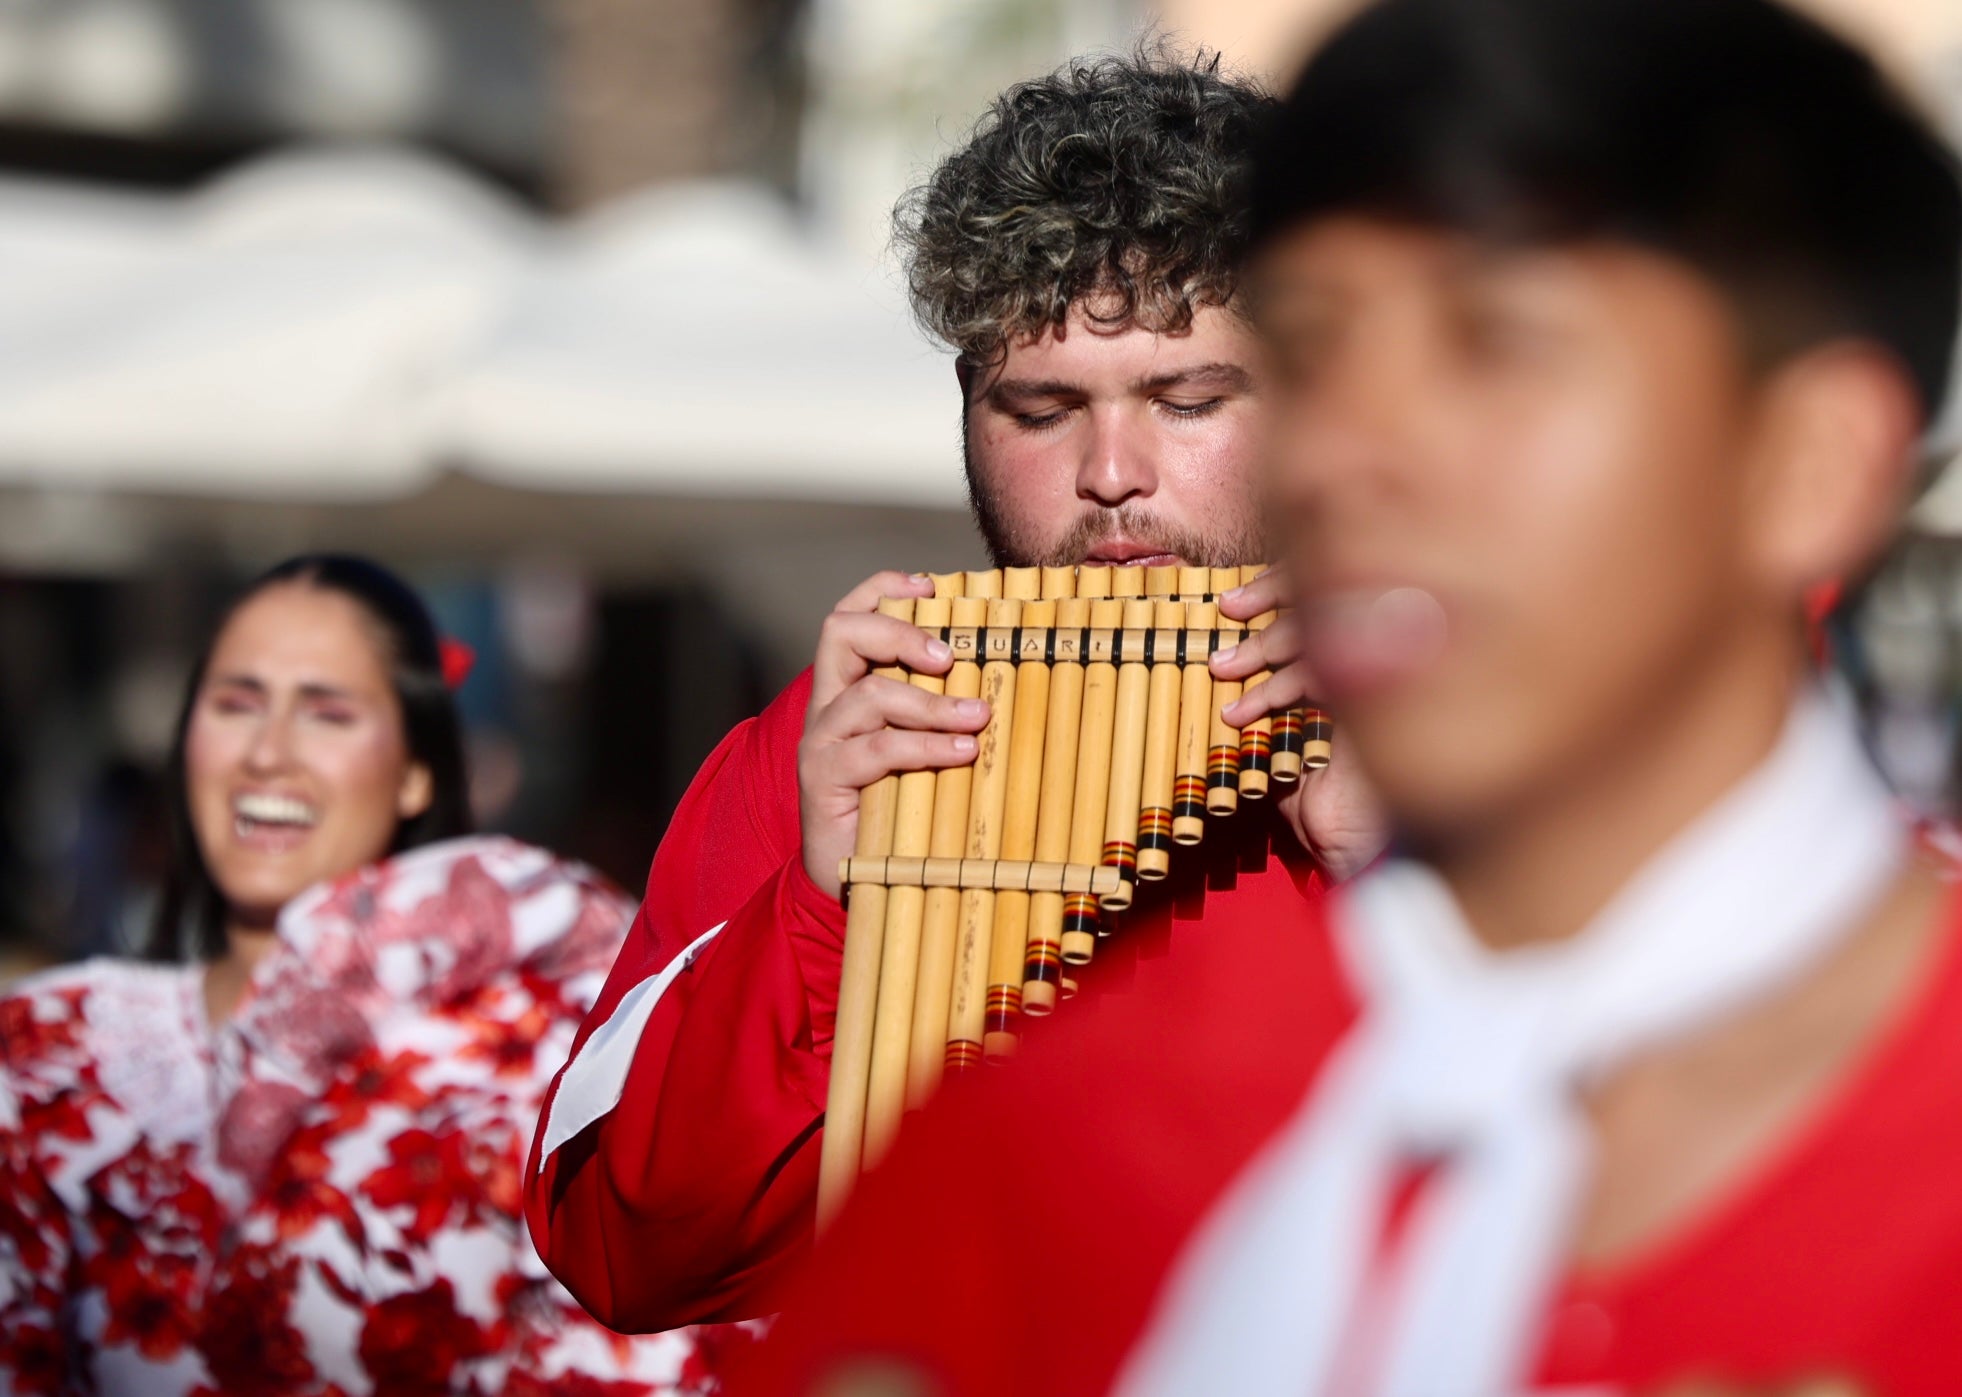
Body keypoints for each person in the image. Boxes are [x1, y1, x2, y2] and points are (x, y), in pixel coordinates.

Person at [729, 1, 1962, 1393]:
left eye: (1495, 348)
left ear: (1810, 461)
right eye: (1314, 356)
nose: (1349, 454)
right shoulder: (1047, 1128)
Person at [523, 49, 1390, 1332]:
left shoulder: (1499, 724)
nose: (1110, 472)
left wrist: (1406, 873)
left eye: (1188, 398)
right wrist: (815, 916)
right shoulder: (847, 736)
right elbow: (623, 1251)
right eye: (1040, 410)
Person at [0, 555, 748, 1394]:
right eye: (235, 703)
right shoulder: (44, 1049)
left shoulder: (538, 1037)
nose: (268, 753)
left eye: (328, 712)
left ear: (417, 769)